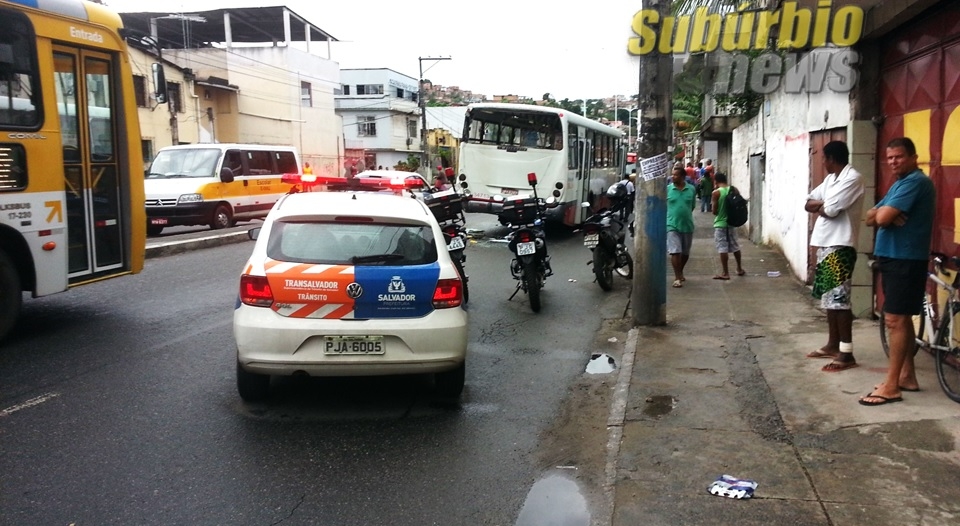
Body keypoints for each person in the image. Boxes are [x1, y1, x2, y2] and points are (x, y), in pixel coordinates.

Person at [860, 137, 936, 406]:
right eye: (890, 158)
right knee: (898, 319)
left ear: (914, 157)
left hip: (905, 258)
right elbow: (869, 217)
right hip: (893, 257)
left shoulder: (915, 182)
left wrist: (883, 215)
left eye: (899, 157)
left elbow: (878, 218)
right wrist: (884, 213)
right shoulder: (899, 184)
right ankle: (907, 376)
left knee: (895, 319)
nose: (893, 162)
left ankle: (891, 386)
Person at [804, 141, 865, 372]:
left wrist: (823, 206)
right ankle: (832, 343)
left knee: (840, 300)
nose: (823, 162)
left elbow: (831, 210)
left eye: (824, 159)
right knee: (829, 299)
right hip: (827, 245)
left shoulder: (852, 178)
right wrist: (823, 204)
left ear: (831, 158)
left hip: (841, 245)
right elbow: (809, 203)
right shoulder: (831, 180)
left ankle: (846, 352)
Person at [710, 172, 745, 280]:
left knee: (722, 248)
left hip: (720, 223)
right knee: (735, 246)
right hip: (732, 223)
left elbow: (714, 211)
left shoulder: (716, 193)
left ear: (716, 181)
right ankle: (739, 268)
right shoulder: (734, 190)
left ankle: (725, 273)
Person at [667, 165, 696, 288]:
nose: (673, 177)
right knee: (675, 251)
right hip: (671, 224)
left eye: (676, 175)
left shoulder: (691, 189)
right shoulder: (668, 189)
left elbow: (692, 206)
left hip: (687, 225)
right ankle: (677, 277)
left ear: (683, 176)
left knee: (685, 253)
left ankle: (680, 270)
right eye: (672, 174)